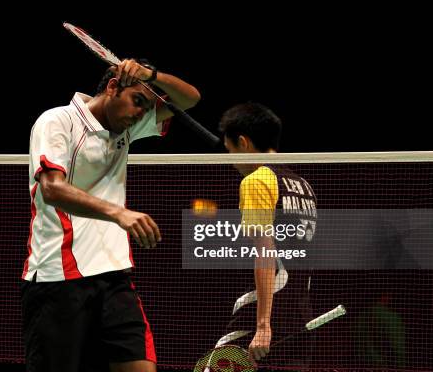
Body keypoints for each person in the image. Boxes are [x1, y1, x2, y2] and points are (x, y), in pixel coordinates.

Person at [22, 58, 200, 372]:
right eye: (138, 102)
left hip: (114, 276)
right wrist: (119, 214)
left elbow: (191, 98)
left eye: (147, 108)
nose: (141, 113)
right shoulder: (57, 121)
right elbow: (52, 189)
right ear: (113, 87)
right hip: (58, 278)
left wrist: (151, 76)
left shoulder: (127, 127)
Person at [219, 102, 318, 369]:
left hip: (264, 315)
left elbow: (266, 252)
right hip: (300, 315)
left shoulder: (256, 181)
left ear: (243, 142)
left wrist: (263, 325)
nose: (230, 161)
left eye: (229, 151)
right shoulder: (303, 185)